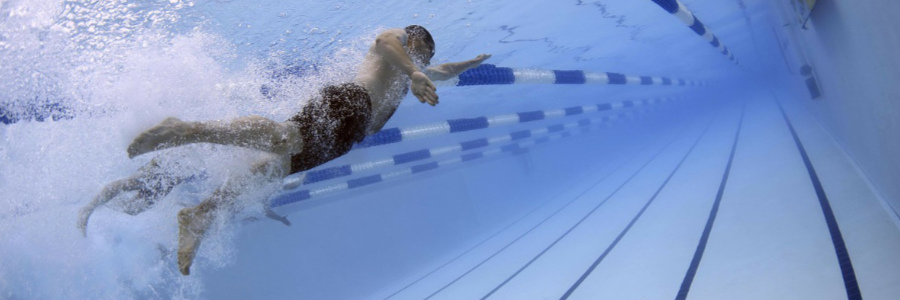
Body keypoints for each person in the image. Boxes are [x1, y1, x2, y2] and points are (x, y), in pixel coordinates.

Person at [95, 25, 491, 275]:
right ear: (415, 39)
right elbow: (385, 43)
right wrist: (415, 70)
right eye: (422, 53)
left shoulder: (414, 73)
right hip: (350, 102)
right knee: (284, 139)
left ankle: (203, 213)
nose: (424, 61)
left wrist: (468, 64)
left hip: (346, 137)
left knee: (272, 169)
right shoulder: (399, 44)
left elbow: (441, 70)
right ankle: (184, 130)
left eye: (425, 59)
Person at [77, 157, 291, 238]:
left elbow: (264, 208)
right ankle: (89, 207)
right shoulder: (242, 165)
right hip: (168, 165)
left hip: (172, 179)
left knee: (134, 209)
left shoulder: (253, 191)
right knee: (134, 183)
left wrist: (279, 218)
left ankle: (103, 203)